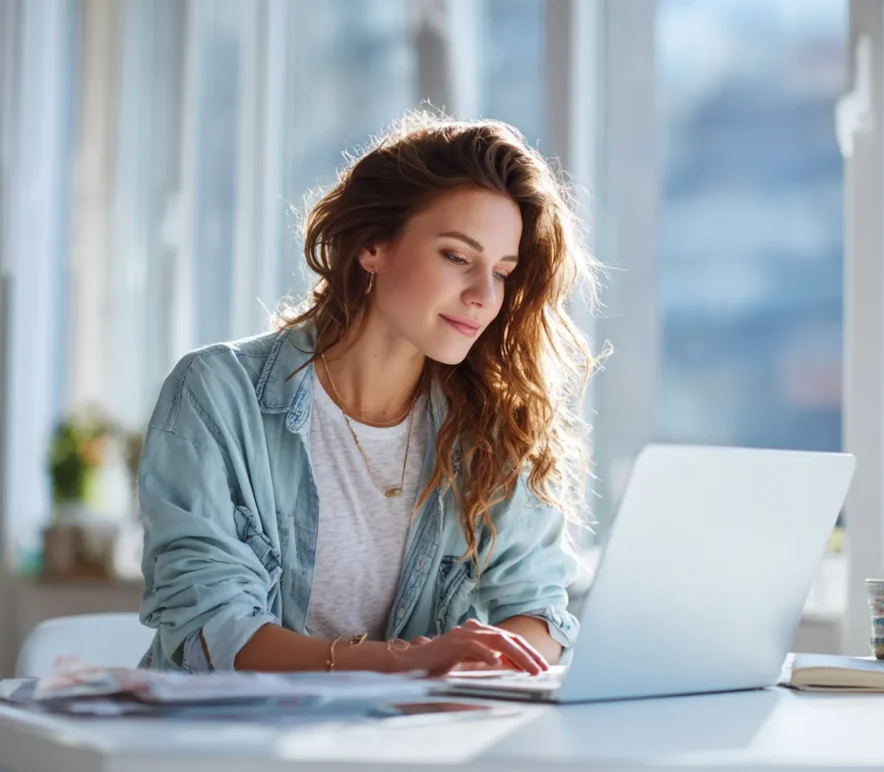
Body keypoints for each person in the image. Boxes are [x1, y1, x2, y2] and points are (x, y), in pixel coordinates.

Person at [137, 112, 602, 675]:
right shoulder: (217, 394)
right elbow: (213, 631)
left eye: (502, 271)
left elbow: (536, 610)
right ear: (372, 246)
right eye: (458, 257)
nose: (485, 294)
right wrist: (408, 662)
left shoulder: (495, 423)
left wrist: (477, 667)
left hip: (413, 750)